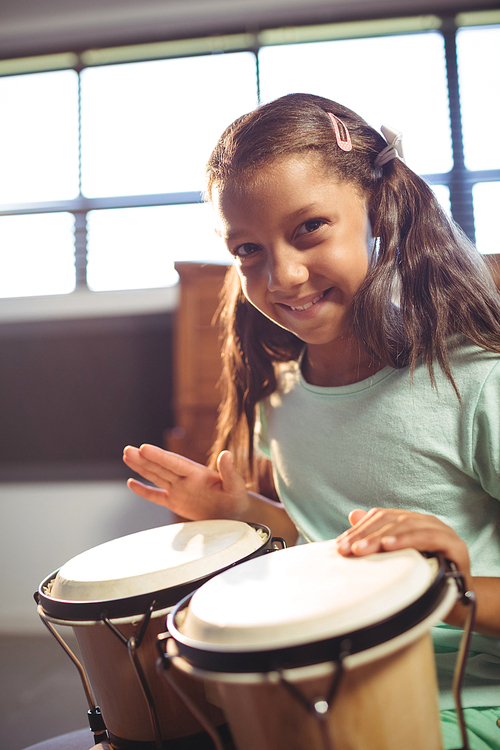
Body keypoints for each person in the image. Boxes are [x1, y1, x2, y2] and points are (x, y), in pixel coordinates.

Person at [123, 93, 500, 749]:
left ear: (377, 213)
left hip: (462, 706)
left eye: (309, 229)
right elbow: (321, 542)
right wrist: (245, 511)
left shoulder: (474, 382)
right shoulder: (281, 402)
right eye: (247, 249)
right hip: (313, 688)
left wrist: (457, 583)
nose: (283, 275)